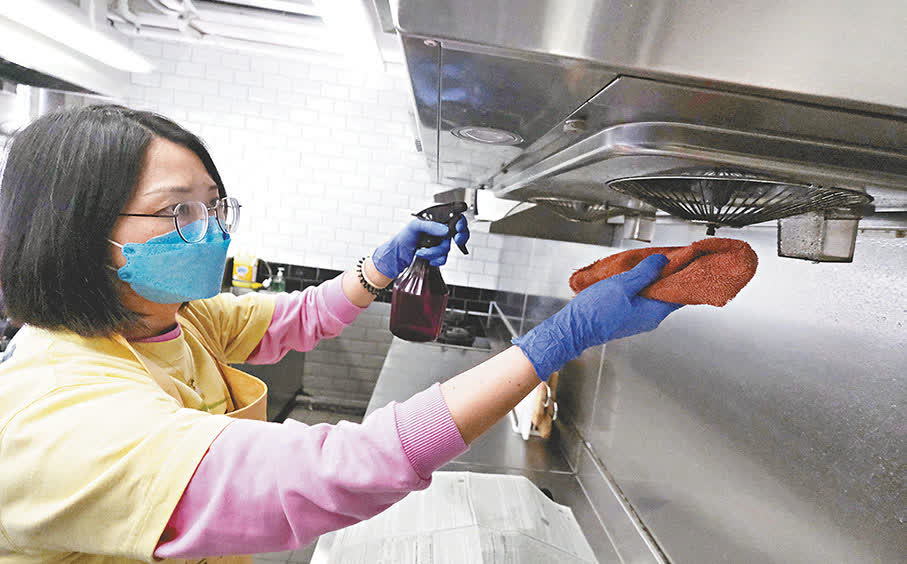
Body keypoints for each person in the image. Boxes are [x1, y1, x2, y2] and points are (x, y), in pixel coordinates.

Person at [0, 105, 681, 562]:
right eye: (178, 212)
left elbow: (293, 319)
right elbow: (333, 472)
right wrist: (557, 341)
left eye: (213, 206)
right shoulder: (60, 415)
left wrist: (381, 264)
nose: (211, 233)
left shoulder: (167, 317)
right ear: (76, 231)